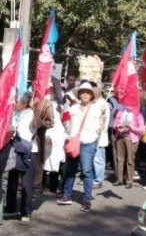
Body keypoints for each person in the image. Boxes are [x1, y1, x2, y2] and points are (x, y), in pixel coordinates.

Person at [57, 82, 102, 212]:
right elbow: (67, 123)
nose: (85, 94)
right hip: (73, 142)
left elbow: (100, 126)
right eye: (82, 92)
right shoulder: (74, 108)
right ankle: (67, 195)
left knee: (86, 171)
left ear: (92, 95)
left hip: (88, 143)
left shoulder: (96, 108)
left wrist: (95, 138)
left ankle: (87, 199)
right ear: (79, 94)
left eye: (88, 92)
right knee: (70, 170)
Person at [112, 105, 145, 188]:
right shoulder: (121, 112)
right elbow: (114, 125)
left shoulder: (138, 114)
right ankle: (119, 179)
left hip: (131, 138)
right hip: (120, 137)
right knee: (119, 159)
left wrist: (132, 127)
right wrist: (117, 126)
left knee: (130, 160)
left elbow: (142, 129)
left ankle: (129, 180)